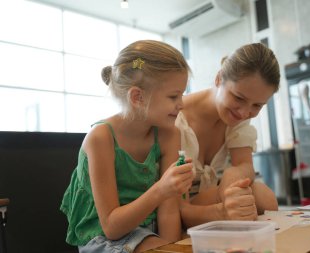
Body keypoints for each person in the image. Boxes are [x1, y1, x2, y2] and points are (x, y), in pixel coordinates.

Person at [60, 40, 194, 253]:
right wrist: (161, 189)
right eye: (173, 96)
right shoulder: (101, 138)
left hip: (149, 232)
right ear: (137, 97)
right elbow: (111, 227)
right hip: (102, 237)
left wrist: (171, 248)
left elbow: (168, 212)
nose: (182, 104)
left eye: (182, 94)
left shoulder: (169, 134)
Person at [176, 43, 280, 228]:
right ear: (218, 79)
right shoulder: (176, 117)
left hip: (211, 196)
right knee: (255, 198)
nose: (244, 113)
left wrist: (232, 185)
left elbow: (244, 165)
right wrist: (228, 200)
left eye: (257, 105)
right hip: (174, 204)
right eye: (238, 98)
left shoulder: (238, 120)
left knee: (265, 198)